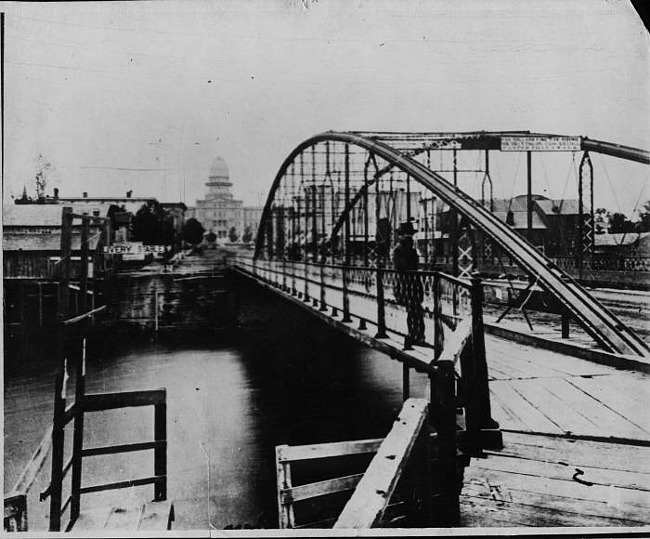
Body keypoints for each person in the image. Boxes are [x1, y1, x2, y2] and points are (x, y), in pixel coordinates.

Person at [393, 222, 425, 347]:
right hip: (405, 285)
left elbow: (414, 265)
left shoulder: (411, 250)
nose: (408, 237)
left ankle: (418, 335)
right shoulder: (399, 250)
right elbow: (401, 266)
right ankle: (414, 335)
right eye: (405, 235)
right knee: (413, 311)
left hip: (413, 284)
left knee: (416, 311)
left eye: (410, 235)